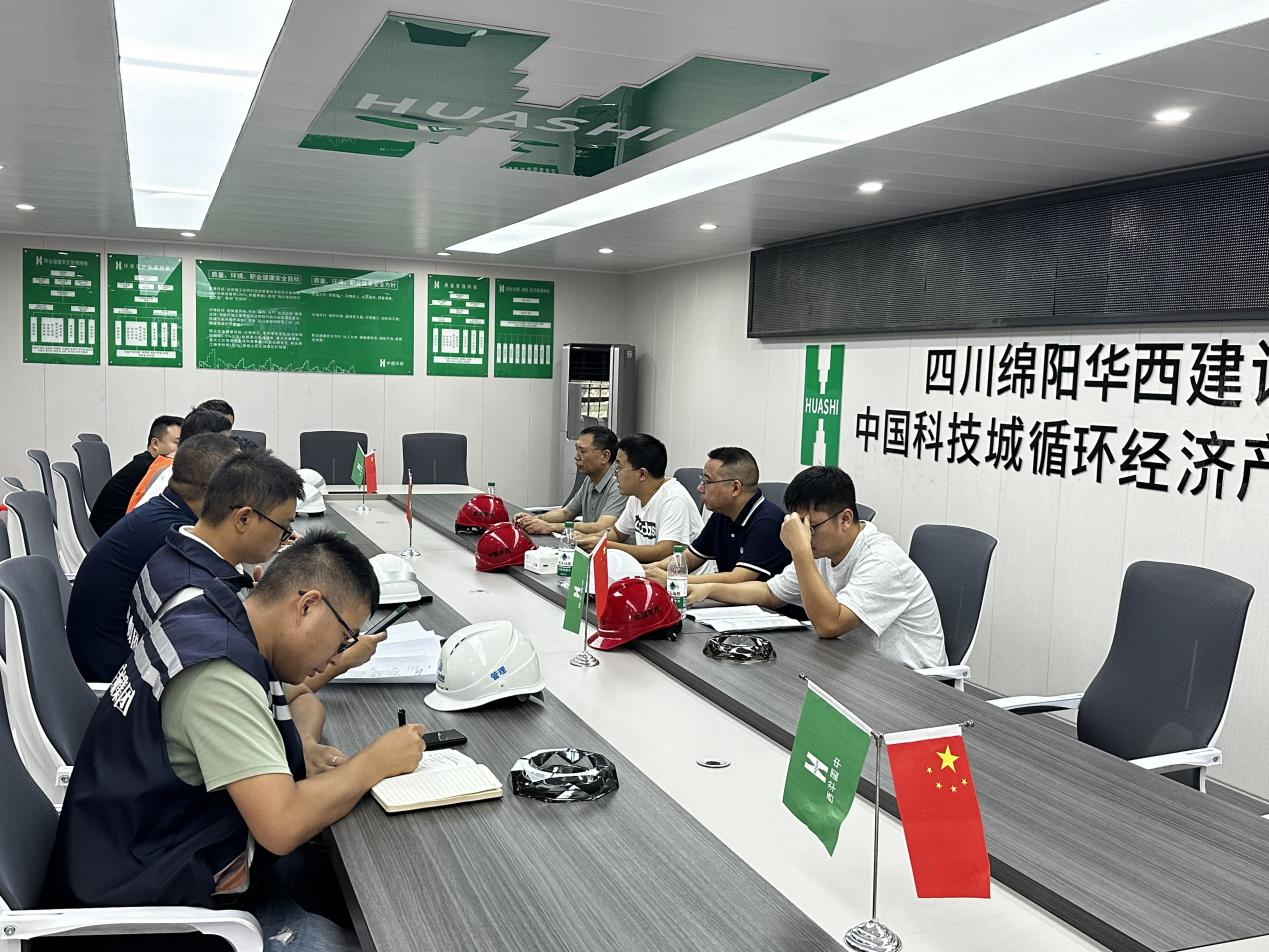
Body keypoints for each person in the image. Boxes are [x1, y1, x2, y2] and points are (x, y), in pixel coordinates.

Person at [43, 530, 424, 952]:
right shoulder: (217, 674)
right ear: (308, 606)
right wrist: (376, 761)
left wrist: (304, 745)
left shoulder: (212, 615)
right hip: (144, 911)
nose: (337, 656)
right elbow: (281, 826)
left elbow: (294, 698)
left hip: (156, 855)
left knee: (346, 884)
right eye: (343, 638)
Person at [687, 466, 946, 669]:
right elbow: (769, 592)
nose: (804, 534)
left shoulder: (882, 561)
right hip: (854, 665)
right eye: (799, 524)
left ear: (845, 519)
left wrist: (800, 551)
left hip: (911, 685)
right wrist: (710, 589)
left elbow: (829, 625)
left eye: (811, 527)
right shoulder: (823, 549)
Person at [67, 433, 240, 683]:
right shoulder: (173, 532)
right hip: (114, 668)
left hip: (104, 648)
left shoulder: (163, 510)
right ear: (215, 491)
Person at [645, 447, 790, 588]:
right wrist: (646, 570)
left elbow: (738, 578)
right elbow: (689, 558)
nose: (699, 488)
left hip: (761, 604)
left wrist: (675, 579)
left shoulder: (768, 522)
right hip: (728, 599)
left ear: (735, 488)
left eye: (707, 482)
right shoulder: (723, 514)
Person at [578, 433, 703, 563]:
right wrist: (587, 539)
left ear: (642, 474)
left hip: (680, 574)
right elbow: (618, 533)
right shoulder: (637, 495)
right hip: (650, 570)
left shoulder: (674, 498)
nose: (615, 476)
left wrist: (605, 545)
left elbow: (663, 551)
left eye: (619, 468)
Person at [514, 425, 624, 536]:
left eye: (582, 451)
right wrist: (534, 519)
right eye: (577, 449)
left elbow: (601, 527)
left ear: (605, 456)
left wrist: (551, 527)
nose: (576, 457)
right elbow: (566, 513)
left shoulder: (620, 484)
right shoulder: (589, 480)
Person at [127, 406, 233, 513]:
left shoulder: (177, 468)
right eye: (224, 443)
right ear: (202, 445)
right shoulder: (176, 475)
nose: (228, 449)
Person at [89, 414, 182, 536]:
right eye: (178, 443)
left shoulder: (143, 462)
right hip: (109, 536)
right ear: (155, 444)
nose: (184, 449)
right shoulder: (149, 468)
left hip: (108, 531)